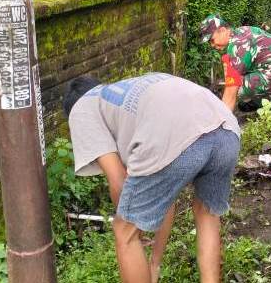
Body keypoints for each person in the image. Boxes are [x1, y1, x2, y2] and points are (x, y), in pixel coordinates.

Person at [63, 73, 240, 283]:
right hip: (226, 128)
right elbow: (165, 198)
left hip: (174, 135)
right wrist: (154, 262)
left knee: (124, 232)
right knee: (207, 214)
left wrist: (133, 228)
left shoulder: (82, 108)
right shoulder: (123, 95)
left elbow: (118, 181)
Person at [200, 14, 271, 111]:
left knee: (240, 86)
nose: (212, 45)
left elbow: (231, 87)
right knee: (239, 86)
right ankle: (269, 101)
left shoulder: (238, 46)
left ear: (222, 30)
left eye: (212, 40)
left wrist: (222, 119)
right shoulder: (241, 32)